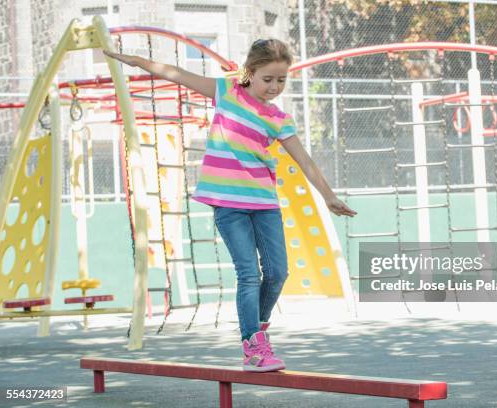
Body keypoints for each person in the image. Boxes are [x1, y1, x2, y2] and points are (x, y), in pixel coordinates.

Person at [104, 38, 356, 372]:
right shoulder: (227, 92)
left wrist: (328, 196)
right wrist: (136, 60)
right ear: (249, 73)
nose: (275, 87)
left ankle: (258, 330)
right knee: (248, 273)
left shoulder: (279, 118)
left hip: (264, 203)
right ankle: (253, 346)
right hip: (228, 204)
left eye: (282, 80)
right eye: (268, 79)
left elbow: (305, 161)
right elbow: (176, 73)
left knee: (278, 272)